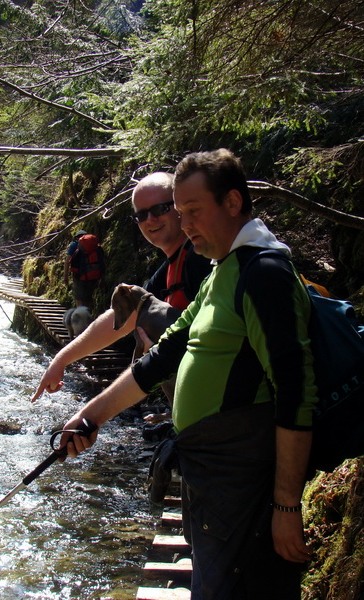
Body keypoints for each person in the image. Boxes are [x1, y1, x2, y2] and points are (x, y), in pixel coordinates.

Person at [50, 149, 319, 599]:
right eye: (180, 212)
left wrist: (286, 505)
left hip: (241, 474)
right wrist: (90, 416)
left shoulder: (263, 273)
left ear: (233, 203)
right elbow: (164, 356)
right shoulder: (222, 271)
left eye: (193, 211)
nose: (185, 223)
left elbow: (296, 394)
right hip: (207, 466)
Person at [32, 172, 212, 402]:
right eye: (141, 215)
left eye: (159, 209)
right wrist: (61, 360)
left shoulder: (201, 260)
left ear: (180, 207)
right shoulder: (172, 265)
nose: (150, 220)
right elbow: (122, 317)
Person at [64, 230, 105, 308]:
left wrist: (65, 277)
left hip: (80, 277)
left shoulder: (75, 245)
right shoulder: (95, 247)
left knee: (79, 299)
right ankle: (88, 315)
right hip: (94, 276)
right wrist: (102, 278)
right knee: (88, 299)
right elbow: (102, 262)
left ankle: (80, 317)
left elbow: (67, 261)